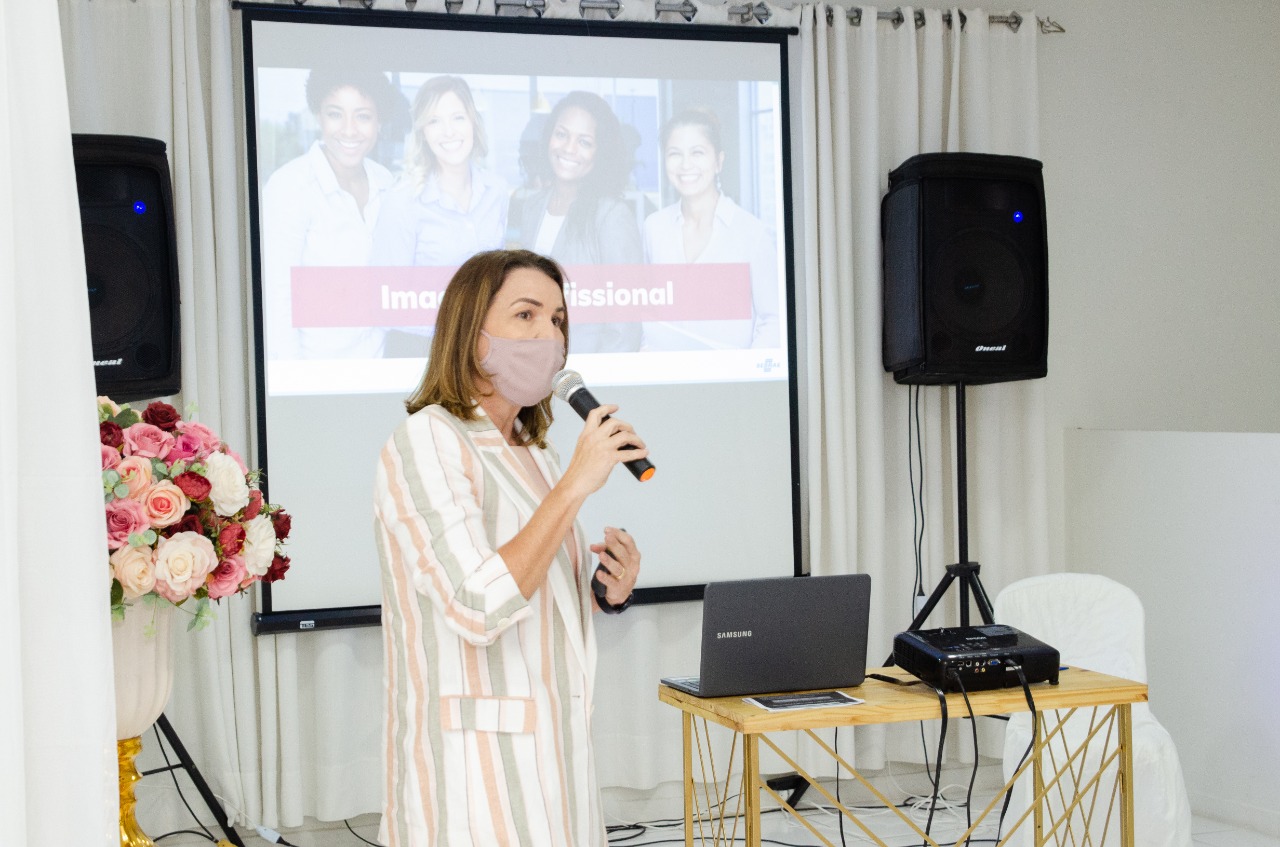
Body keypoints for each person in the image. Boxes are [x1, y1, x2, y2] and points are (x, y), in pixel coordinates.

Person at [373, 249, 645, 846]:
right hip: (474, 773)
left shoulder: (535, 452)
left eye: (558, 320)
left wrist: (606, 590)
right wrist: (575, 485)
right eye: (526, 315)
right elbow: (476, 603)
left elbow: (536, 586)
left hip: (559, 756)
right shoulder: (427, 440)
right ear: (471, 333)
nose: (550, 336)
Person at [260, 64, 408, 360]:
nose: (349, 129)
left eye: (363, 116)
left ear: (379, 121)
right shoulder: (289, 186)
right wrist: (292, 377)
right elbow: (278, 298)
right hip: (316, 370)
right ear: (318, 116)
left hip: (380, 365)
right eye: (335, 114)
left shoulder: (386, 182)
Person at [515, 91, 643, 354]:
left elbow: (624, 329)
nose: (569, 148)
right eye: (562, 134)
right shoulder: (532, 207)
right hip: (533, 366)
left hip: (585, 372)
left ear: (600, 152)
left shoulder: (612, 216)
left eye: (584, 141)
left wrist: (597, 380)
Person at [642, 108, 781, 350]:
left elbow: (773, 320)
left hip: (734, 373)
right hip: (666, 371)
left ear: (718, 161)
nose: (686, 164)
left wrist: (747, 370)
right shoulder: (654, 227)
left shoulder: (751, 233)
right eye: (675, 154)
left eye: (697, 152)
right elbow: (650, 315)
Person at [371, 76, 508, 267]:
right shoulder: (402, 202)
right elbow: (386, 283)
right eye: (434, 121)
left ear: (473, 122)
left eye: (458, 118)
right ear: (423, 133)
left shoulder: (497, 191)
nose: (449, 131)